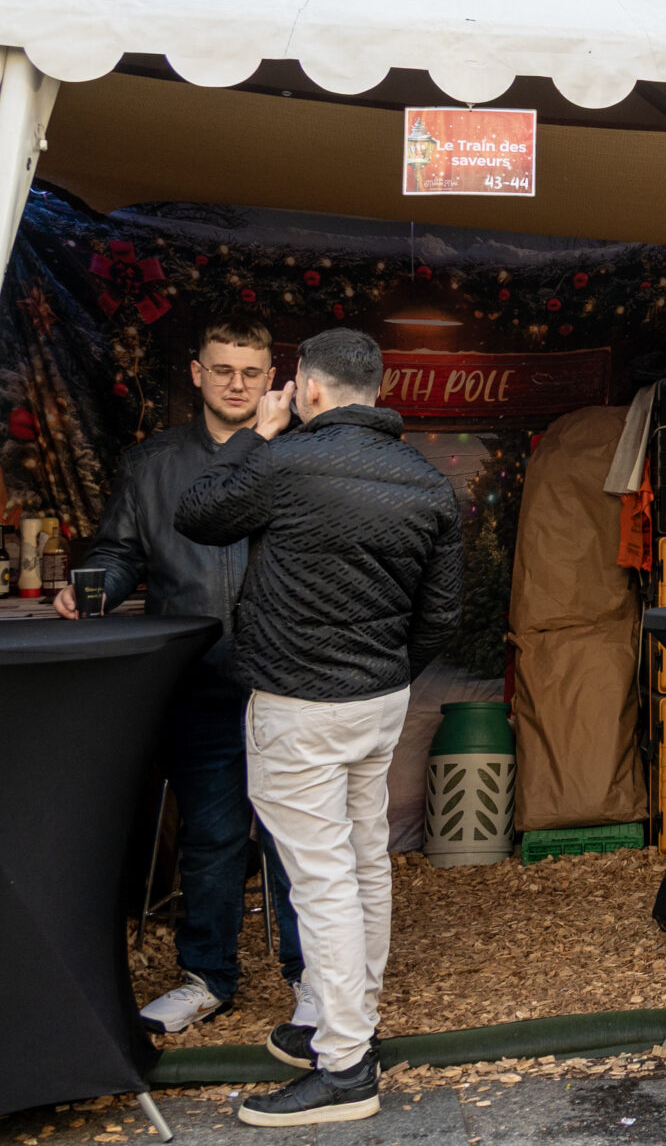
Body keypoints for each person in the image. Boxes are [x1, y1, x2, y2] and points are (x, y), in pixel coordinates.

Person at [176, 329, 460, 1128]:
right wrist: (386, 673)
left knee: (325, 878)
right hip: (378, 701)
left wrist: (258, 434)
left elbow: (197, 512)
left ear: (306, 387)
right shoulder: (428, 481)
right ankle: (346, 1023)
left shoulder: (285, 459)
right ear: (379, 388)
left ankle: (344, 1066)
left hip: (299, 703)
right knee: (362, 862)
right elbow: (441, 615)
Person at [56, 319, 307, 1033]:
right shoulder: (153, 464)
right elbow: (118, 552)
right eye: (222, 369)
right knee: (212, 836)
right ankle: (207, 978)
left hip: (287, 679)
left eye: (251, 371)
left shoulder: (298, 455)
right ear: (196, 373)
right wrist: (93, 587)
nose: (237, 383)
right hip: (199, 680)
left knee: (297, 839)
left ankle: (314, 979)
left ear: (272, 377)